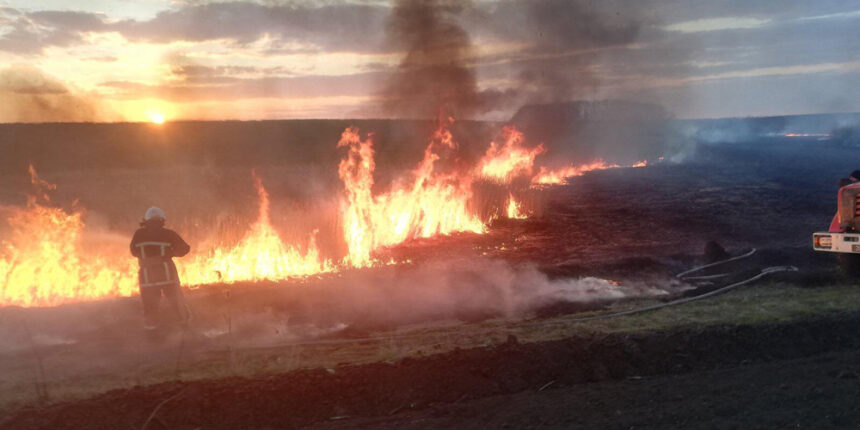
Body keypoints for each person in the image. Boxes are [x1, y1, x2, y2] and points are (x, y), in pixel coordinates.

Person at [130, 207, 191, 329]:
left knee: (150, 304)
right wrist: (171, 254)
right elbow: (185, 248)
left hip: (147, 278)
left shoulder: (139, 234)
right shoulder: (168, 234)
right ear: (162, 220)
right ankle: (184, 324)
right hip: (166, 275)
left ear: (146, 220)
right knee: (175, 301)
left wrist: (146, 259)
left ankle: (152, 329)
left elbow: (133, 251)